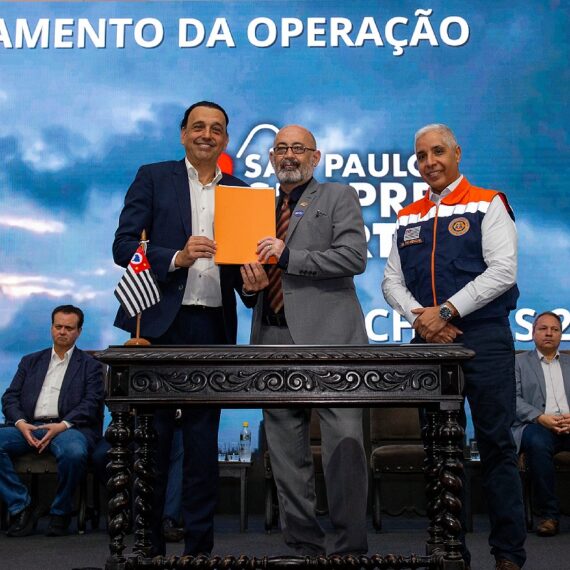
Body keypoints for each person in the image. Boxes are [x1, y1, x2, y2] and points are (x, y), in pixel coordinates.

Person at [112, 101, 267, 556]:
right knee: (152, 444)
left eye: (216, 129)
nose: (207, 134)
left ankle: (200, 550)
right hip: (159, 326)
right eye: (198, 126)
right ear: (183, 134)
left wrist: (254, 287)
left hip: (212, 327)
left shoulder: (242, 192)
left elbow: (246, 277)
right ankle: (149, 548)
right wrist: (176, 256)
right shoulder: (153, 177)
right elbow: (123, 245)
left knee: (202, 450)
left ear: (225, 139)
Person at [382, 123, 526, 570]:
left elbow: (503, 272)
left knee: (497, 445)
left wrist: (444, 311)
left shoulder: (489, 202)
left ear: (457, 153)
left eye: (438, 152)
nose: (430, 163)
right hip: (429, 343)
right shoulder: (408, 215)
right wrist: (421, 319)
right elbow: (391, 282)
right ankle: (448, 550)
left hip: (483, 338)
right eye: (422, 156)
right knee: (438, 450)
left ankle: (508, 553)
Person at [250, 125, 369, 556]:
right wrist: (251, 283)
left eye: (297, 148)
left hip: (333, 341)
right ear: (271, 157)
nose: (288, 155)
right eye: (280, 148)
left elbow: (354, 257)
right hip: (271, 337)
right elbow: (255, 273)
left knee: (345, 448)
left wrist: (289, 257)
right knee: (284, 451)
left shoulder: (339, 196)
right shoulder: (257, 206)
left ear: (315, 157)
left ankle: (348, 548)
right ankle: (303, 545)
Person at [0, 305, 104, 537]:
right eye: (58, 327)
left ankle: (60, 511)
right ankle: (22, 506)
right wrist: (19, 423)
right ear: (51, 328)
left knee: (75, 452)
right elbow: (10, 397)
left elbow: (92, 402)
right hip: (28, 425)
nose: (62, 332)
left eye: (69, 328)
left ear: (78, 332)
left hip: (68, 427)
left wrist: (62, 425)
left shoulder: (91, 366)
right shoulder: (30, 361)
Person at [512, 311, 570, 537]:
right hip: (536, 425)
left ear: (561, 335)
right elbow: (511, 398)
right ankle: (549, 515)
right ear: (533, 333)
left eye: (555, 329)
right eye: (543, 328)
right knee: (538, 441)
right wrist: (539, 417)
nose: (549, 333)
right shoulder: (518, 362)